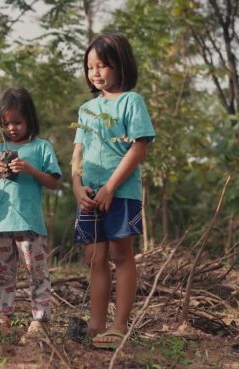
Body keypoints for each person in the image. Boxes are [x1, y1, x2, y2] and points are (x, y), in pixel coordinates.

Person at [71, 33, 155, 349]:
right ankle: (95, 325)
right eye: (91, 66)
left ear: (121, 66)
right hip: (90, 195)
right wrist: (78, 186)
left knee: (121, 255)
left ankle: (119, 326)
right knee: (95, 257)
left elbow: (139, 147)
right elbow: (77, 154)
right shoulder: (86, 109)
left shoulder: (131, 101)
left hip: (121, 192)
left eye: (103, 65)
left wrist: (110, 187)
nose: (96, 72)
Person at [0, 87, 62, 342]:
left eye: (17, 122)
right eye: (6, 123)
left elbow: (53, 182)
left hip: (30, 223)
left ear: (29, 119)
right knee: (4, 272)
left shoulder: (41, 147)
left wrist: (29, 169)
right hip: (3, 223)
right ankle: (4, 316)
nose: (12, 128)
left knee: (35, 271)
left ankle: (39, 319)